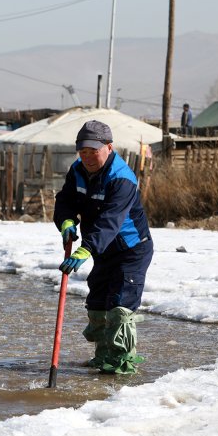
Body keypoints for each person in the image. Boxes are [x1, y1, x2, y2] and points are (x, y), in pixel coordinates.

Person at [54, 120, 154, 375]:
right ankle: (102, 356)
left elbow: (110, 221)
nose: (87, 157)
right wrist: (66, 221)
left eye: (93, 151)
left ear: (109, 147)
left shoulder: (121, 179)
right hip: (103, 250)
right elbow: (65, 200)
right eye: (83, 151)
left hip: (130, 250)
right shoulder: (77, 170)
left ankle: (121, 364)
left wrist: (85, 249)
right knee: (98, 304)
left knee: (120, 307)